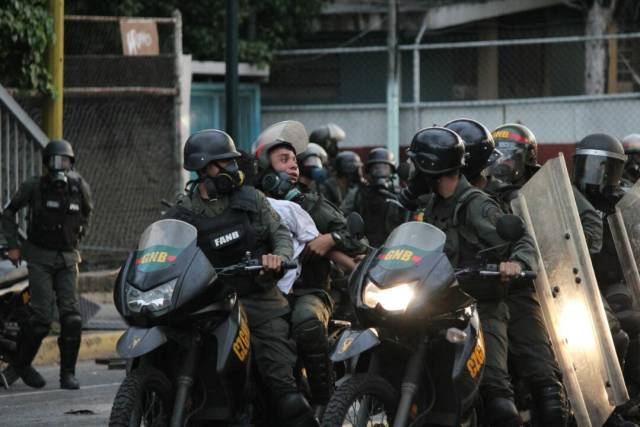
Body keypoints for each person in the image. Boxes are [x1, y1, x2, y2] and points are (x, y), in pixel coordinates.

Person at [169, 129, 318, 427]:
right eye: (225, 163)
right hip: (206, 302)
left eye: (233, 161)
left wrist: (278, 259)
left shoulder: (252, 200)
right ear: (204, 168)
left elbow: (282, 237)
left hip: (258, 299)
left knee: (283, 388)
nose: (234, 170)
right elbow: (162, 245)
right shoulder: (183, 210)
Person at [399, 126, 538, 427]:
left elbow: (522, 240)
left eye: (415, 164)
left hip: (483, 307)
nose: (411, 173)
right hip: (443, 306)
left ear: (431, 168)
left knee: (496, 396)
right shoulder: (433, 204)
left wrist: (515, 263)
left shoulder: (475, 204)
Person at [446, 119, 569, 425]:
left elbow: (558, 234)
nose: (502, 165)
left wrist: (524, 265)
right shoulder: (443, 198)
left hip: (520, 289)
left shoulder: (531, 192)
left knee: (545, 383)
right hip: (465, 294)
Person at [254, 121, 365, 414]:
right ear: (265, 168)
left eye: (294, 160)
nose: (293, 166)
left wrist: (332, 238)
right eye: (283, 160)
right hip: (263, 293)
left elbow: (355, 240)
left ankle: (324, 398)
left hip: (310, 290)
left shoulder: (311, 204)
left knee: (306, 320)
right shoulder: (250, 205)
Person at [1, 139, 93, 390]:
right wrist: (13, 245)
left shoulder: (79, 186)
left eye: (65, 161)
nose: (59, 166)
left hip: (67, 259)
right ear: (45, 164)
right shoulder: (34, 186)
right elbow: (8, 213)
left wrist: (77, 238)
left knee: (72, 318)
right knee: (41, 318)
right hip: (40, 258)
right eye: (54, 161)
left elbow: (87, 214)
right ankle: (21, 363)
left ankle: (68, 374)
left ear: (72, 163)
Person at [572, 134, 640, 426]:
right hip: (570, 282)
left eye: (605, 168)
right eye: (590, 165)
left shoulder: (623, 201)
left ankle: (622, 399)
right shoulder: (564, 197)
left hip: (611, 283)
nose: (596, 175)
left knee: (624, 326)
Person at [341, 147, 405, 247]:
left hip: (392, 249)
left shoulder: (400, 195)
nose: (380, 172)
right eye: (376, 168)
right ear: (369, 171)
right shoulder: (358, 193)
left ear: (392, 172)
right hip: (364, 247)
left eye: (385, 168)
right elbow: (343, 216)